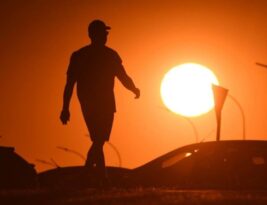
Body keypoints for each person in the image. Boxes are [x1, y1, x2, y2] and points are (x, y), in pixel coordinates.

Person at [60, 19, 140, 183]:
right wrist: (65, 108)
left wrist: (133, 88)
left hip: (107, 103)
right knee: (99, 138)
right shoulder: (79, 56)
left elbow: (122, 76)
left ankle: (93, 175)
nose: (105, 36)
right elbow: (70, 83)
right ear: (92, 35)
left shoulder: (111, 55)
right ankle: (96, 175)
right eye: (102, 33)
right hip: (90, 102)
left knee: (99, 139)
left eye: (106, 33)